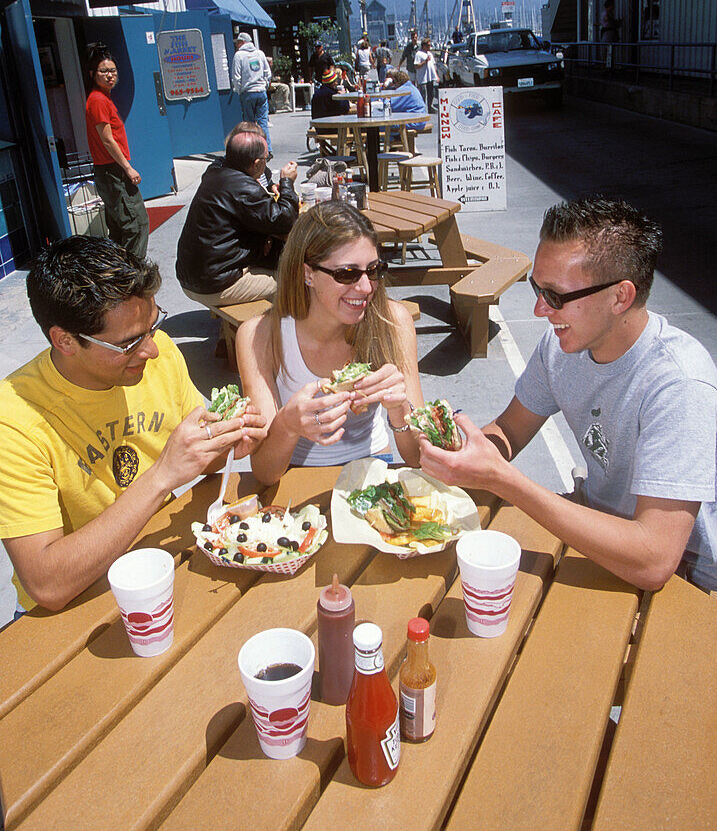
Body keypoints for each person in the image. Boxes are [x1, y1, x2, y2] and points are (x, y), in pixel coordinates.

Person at [417, 197, 717, 594]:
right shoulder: (561, 347)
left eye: (556, 296)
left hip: (684, 574)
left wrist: (503, 479)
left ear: (620, 297)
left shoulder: (679, 385)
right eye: (537, 288)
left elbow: (654, 560)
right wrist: (465, 452)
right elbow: (510, 430)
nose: (540, 310)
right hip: (593, 521)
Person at [0, 236, 267, 613]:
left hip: (159, 562)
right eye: (129, 342)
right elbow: (47, 584)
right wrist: (161, 477)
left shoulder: (156, 356)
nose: (152, 350)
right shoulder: (13, 421)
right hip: (75, 603)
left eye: (153, 326)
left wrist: (228, 441)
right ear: (64, 341)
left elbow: (200, 461)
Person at [236, 201, 424, 485]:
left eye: (373, 270)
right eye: (346, 274)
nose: (365, 288)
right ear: (307, 273)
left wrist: (400, 411)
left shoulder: (393, 321)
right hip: (294, 477)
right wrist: (288, 424)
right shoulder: (260, 335)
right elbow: (264, 472)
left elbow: (418, 457)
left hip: (373, 469)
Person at [176, 124, 298, 308]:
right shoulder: (244, 188)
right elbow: (285, 222)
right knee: (293, 279)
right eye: (267, 158)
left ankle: (231, 332)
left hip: (193, 276)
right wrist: (287, 182)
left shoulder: (215, 172)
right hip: (215, 284)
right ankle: (269, 333)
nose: (267, 162)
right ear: (257, 163)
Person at [85, 44, 150, 259]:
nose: (110, 75)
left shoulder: (104, 98)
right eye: (104, 71)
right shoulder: (97, 100)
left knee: (120, 229)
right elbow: (107, 140)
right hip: (112, 172)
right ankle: (132, 277)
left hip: (110, 171)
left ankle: (118, 274)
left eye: (113, 70)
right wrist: (128, 168)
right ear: (93, 74)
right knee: (136, 224)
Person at [232, 32, 272, 156]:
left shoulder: (239, 55)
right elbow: (268, 73)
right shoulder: (260, 53)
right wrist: (264, 85)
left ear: (243, 42)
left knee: (248, 125)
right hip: (261, 91)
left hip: (247, 92)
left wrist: (239, 91)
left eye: (238, 42)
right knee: (262, 122)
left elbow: (236, 76)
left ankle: (252, 150)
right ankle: (267, 149)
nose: (237, 45)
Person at [414, 37, 439, 112]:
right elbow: (416, 65)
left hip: (430, 78)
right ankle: (422, 109)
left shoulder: (429, 53)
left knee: (431, 93)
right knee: (423, 95)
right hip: (423, 78)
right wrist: (425, 61)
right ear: (424, 46)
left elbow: (433, 65)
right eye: (428, 45)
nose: (430, 47)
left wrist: (436, 76)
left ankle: (430, 107)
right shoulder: (418, 54)